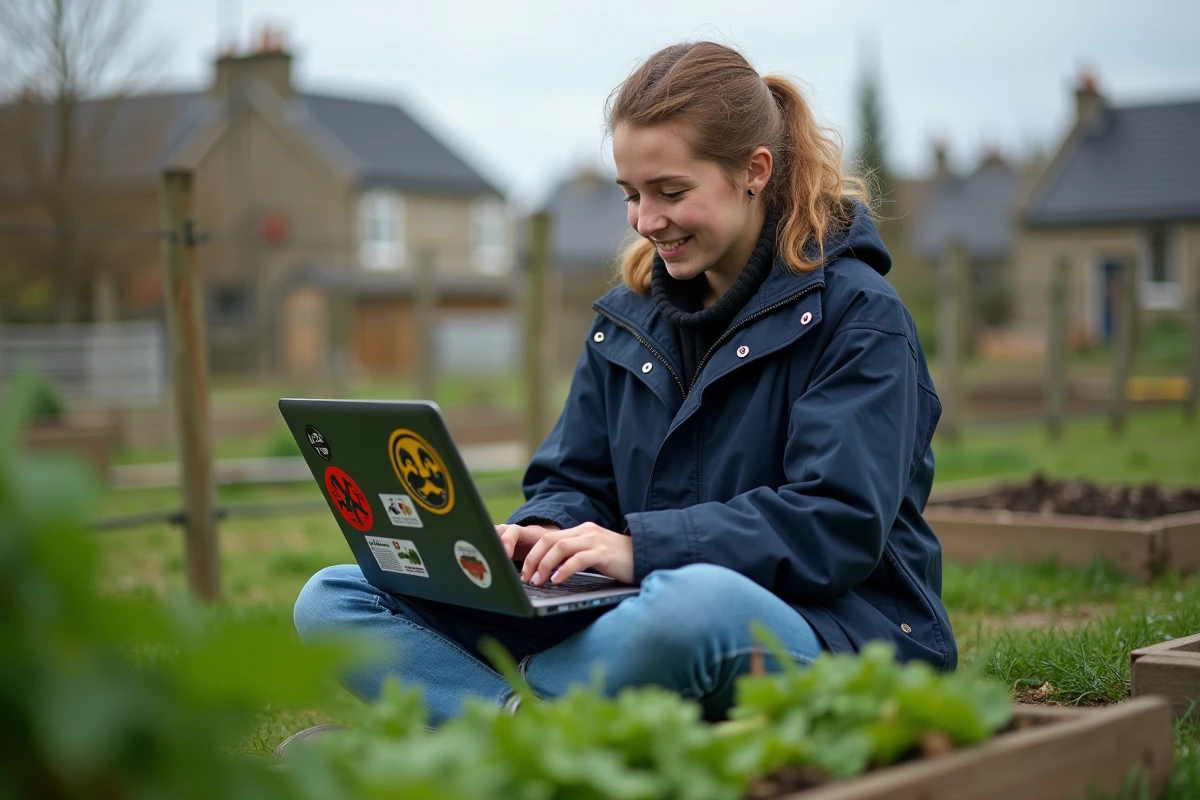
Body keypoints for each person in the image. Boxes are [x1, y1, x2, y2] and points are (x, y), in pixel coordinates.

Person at [292, 40, 956, 729]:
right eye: (633, 194)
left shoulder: (860, 317)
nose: (645, 221)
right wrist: (537, 538)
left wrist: (642, 550)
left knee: (696, 607)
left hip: (832, 631)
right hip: (631, 609)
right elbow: (570, 477)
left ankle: (490, 723)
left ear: (754, 170)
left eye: (671, 192)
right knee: (336, 597)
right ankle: (524, 724)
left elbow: (835, 524)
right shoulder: (629, 318)